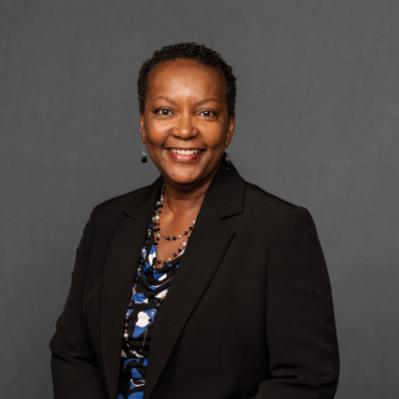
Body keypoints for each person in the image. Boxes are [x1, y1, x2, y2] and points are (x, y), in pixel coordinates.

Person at [49, 42, 340, 399]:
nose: (184, 130)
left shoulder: (278, 229)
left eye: (205, 114)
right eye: (164, 111)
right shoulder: (108, 222)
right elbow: (72, 353)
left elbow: (307, 378)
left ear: (229, 126)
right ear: (143, 125)